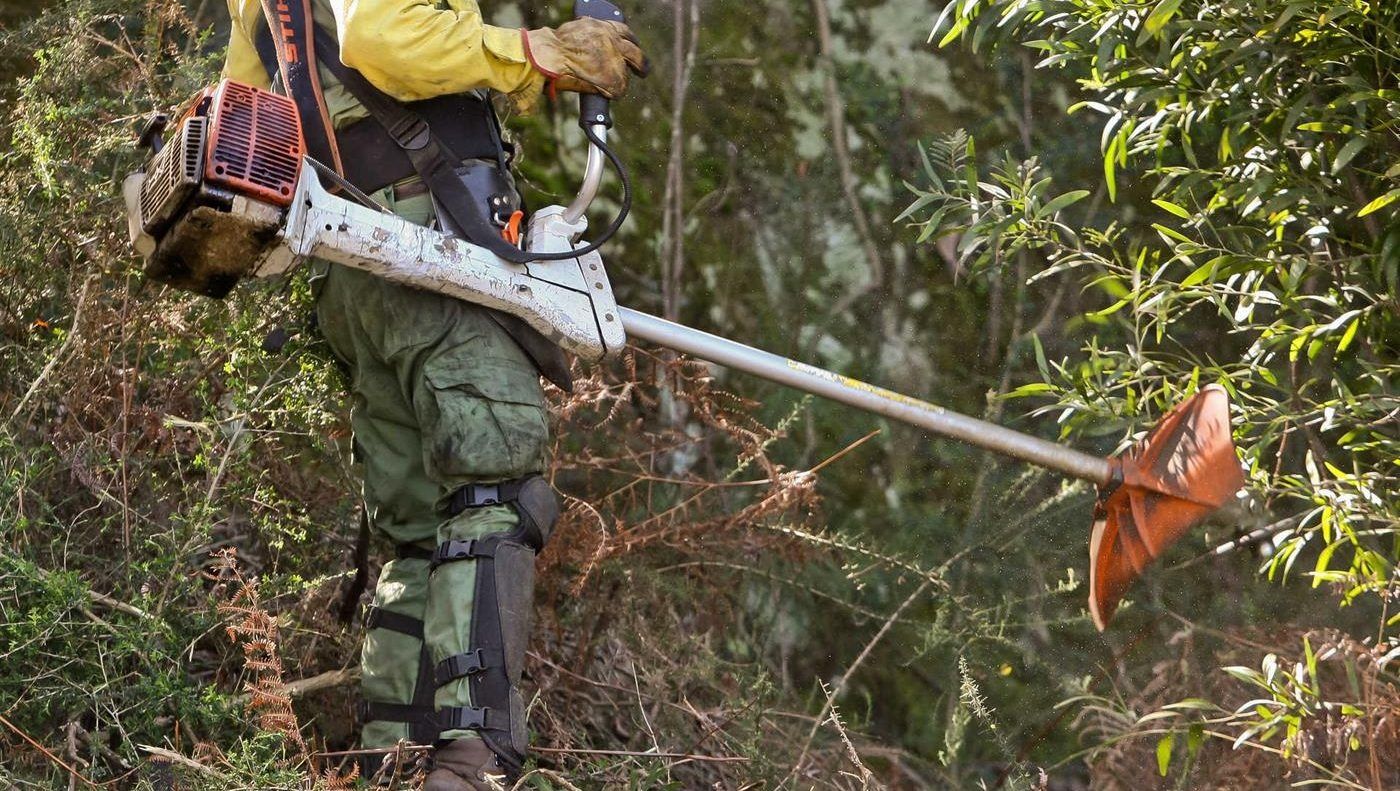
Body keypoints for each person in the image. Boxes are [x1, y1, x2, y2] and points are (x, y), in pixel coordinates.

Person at [220, 2, 647, 789]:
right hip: (426, 242)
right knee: (492, 484)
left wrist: (521, 67)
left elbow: (246, 113)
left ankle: (394, 758)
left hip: (351, 264)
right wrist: (535, 50)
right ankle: (468, 760)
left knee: (418, 527)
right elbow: (384, 39)